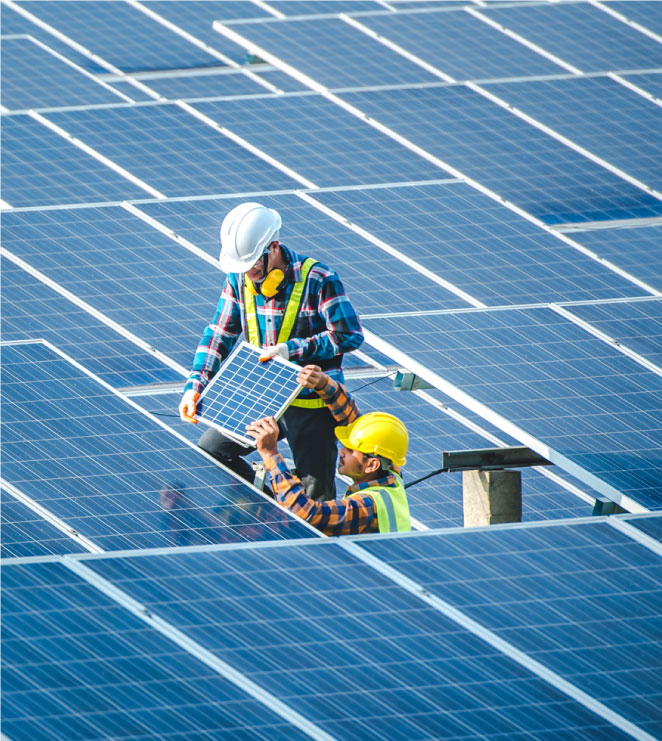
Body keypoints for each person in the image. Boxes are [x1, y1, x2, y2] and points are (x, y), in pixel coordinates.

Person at [179, 202, 363, 501]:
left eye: (252, 265)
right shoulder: (238, 278)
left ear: (273, 247)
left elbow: (349, 336)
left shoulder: (319, 278)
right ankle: (274, 507)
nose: (249, 274)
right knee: (213, 450)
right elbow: (218, 334)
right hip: (262, 394)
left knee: (316, 492)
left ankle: (313, 535)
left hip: (311, 402)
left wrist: (291, 350)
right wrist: (194, 386)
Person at [246, 365, 411, 536]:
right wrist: (324, 383)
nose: (341, 452)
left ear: (371, 465)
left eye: (350, 449)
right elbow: (353, 421)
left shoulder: (366, 507)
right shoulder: (390, 471)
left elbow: (304, 514)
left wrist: (270, 454)